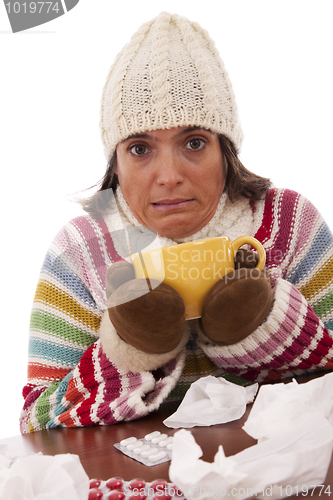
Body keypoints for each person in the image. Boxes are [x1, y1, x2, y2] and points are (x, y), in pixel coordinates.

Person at [20, 12, 333, 433]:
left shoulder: (290, 225)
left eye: (194, 142)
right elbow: (37, 421)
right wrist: (130, 347)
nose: (169, 176)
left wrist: (259, 324)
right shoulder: (80, 252)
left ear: (226, 149)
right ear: (115, 159)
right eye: (140, 148)